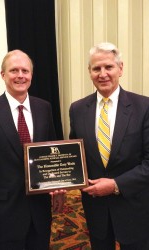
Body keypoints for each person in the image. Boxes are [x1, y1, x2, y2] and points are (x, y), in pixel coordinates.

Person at [69, 42, 149, 250]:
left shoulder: (144, 107)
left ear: (120, 68)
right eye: (96, 68)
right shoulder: (77, 109)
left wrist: (115, 185)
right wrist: (59, 181)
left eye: (108, 67)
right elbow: (75, 158)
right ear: (89, 72)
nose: (102, 74)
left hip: (134, 206)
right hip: (96, 207)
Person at [0, 49, 64, 250]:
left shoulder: (44, 108)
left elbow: (52, 153)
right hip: (2, 211)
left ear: (31, 75)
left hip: (40, 210)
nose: (20, 75)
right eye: (14, 70)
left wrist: (59, 185)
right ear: (3, 75)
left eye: (25, 71)